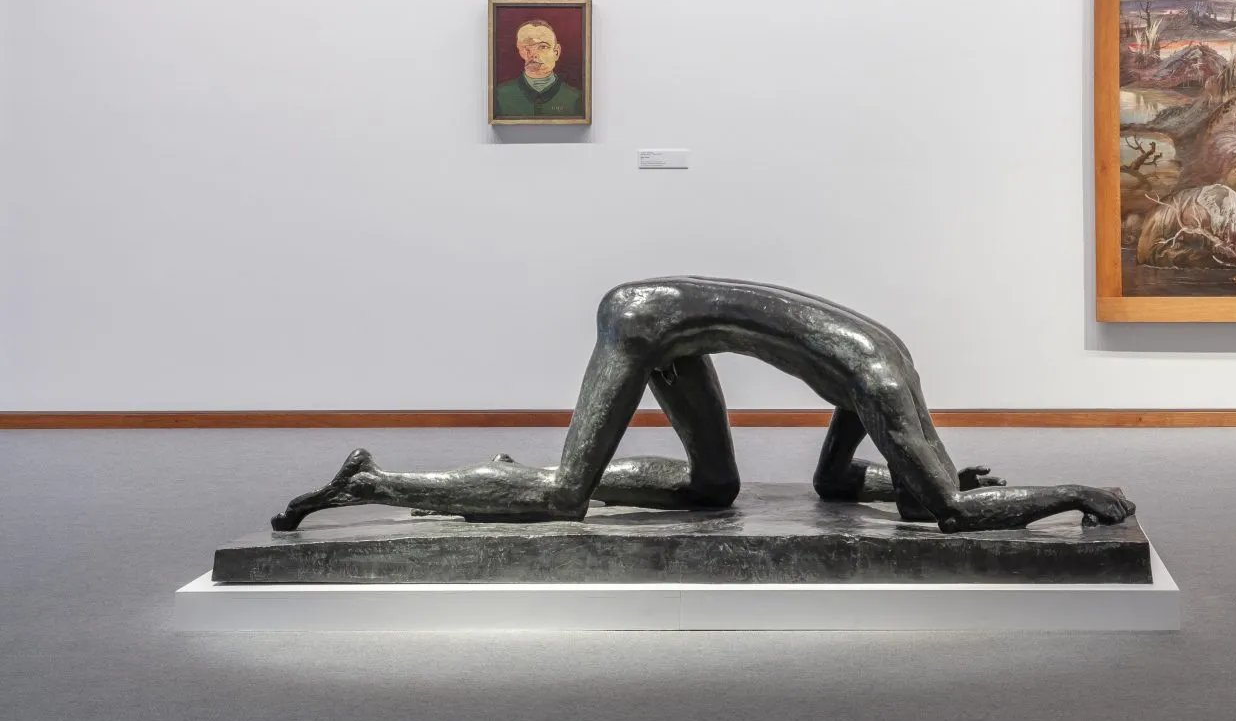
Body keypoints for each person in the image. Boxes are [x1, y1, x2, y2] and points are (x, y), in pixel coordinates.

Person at [272, 277, 1136, 535]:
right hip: (645, 320)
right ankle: (372, 481)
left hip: (676, 321)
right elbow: (944, 511)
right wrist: (1071, 492)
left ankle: (521, 475)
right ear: (909, 434)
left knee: (713, 489)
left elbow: (839, 483)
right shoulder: (884, 390)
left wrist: (912, 485)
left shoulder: (882, 375)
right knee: (565, 497)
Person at [494, 19, 584, 118]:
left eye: (543, 47)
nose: (533, 54)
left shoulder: (576, 99)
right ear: (519, 50)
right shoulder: (500, 96)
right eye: (526, 47)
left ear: (556, 52)